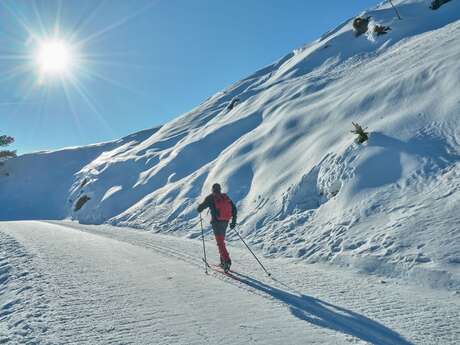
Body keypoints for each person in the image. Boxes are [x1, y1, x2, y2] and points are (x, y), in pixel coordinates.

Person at [197, 183, 237, 272]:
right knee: (221, 242)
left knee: (220, 243)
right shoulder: (225, 197)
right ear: (220, 189)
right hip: (225, 222)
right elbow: (234, 209)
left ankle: (227, 261)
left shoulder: (211, 197)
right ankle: (223, 261)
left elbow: (201, 207)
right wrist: (233, 222)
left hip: (216, 223)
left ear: (212, 189)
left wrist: (199, 208)